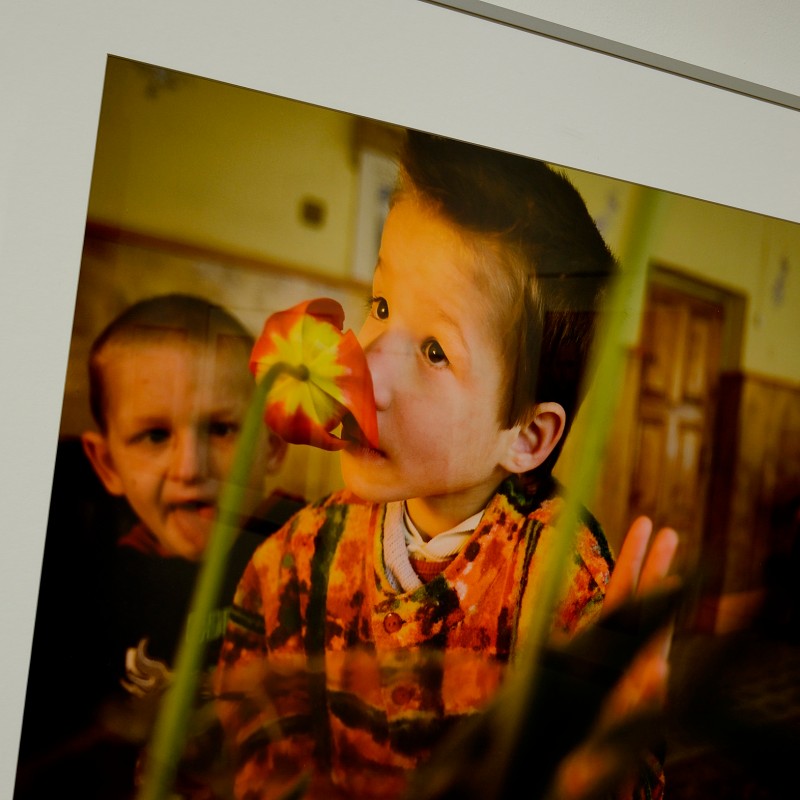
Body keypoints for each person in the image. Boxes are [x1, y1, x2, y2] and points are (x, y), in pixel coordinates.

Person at [213, 132, 678, 800]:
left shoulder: (565, 588)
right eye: (380, 306)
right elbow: (237, 744)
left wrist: (611, 759)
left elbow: (609, 771)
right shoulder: (291, 557)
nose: (365, 367)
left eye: (435, 351)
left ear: (525, 437)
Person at [15, 294, 303, 799]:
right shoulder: (72, 576)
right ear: (106, 466)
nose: (189, 468)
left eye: (221, 429)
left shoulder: (308, 553)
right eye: (153, 435)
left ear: (272, 445)